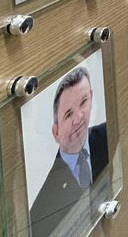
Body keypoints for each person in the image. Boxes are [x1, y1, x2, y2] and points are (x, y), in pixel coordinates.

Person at [29, 67, 109, 237]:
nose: (79, 117)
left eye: (83, 102)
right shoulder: (42, 207)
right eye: (68, 114)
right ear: (56, 132)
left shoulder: (110, 135)